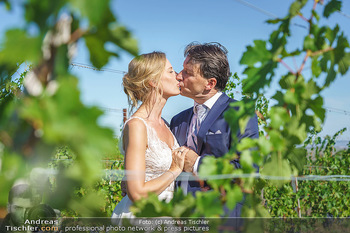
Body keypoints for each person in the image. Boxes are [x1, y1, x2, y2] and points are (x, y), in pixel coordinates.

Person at [170, 42, 259, 216]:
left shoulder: (240, 114)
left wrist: (197, 164)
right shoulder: (177, 120)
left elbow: (247, 170)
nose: (179, 76)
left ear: (209, 83)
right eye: (182, 70)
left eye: (188, 72)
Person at [111, 52, 188, 222]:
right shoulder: (137, 126)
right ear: (152, 81)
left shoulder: (167, 125)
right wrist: (174, 170)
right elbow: (136, 192)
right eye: (170, 71)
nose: (178, 76)